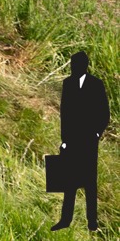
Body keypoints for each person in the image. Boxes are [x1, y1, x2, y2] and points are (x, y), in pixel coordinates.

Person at [58, 50, 110, 231]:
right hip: (71, 141)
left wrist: (96, 133)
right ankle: (65, 220)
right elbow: (64, 114)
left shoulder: (96, 84)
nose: (74, 68)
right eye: (72, 65)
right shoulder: (68, 83)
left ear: (84, 66)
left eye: (77, 65)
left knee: (89, 183)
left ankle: (92, 222)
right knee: (69, 182)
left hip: (88, 141)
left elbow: (104, 113)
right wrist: (64, 139)